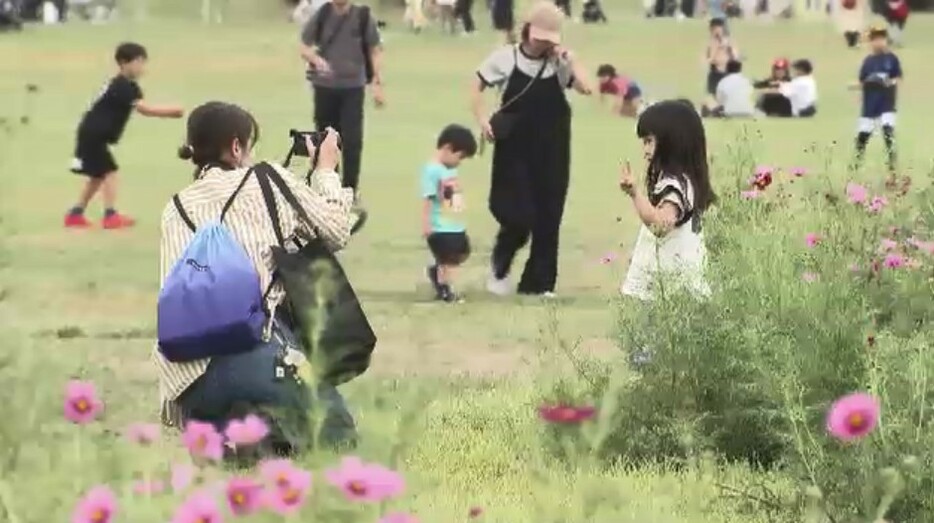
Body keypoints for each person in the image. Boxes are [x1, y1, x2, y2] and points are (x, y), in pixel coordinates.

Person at [156, 101, 356, 453]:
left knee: (253, 460)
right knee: (336, 433)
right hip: (255, 354)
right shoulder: (268, 179)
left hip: (188, 382)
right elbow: (336, 229)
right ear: (236, 147)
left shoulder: (175, 207)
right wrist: (325, 170)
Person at [471, 2, 592, 298]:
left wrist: (571, 60)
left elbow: (587, 87)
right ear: (527, 31)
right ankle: (499, 267)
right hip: (515, 148)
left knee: (549, 215)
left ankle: (539, 283)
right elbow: (477, 85)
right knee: (517, 214)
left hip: (553, 147)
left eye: (548, 39)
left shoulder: (558, 65)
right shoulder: (506, 58)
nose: (542, 44)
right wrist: (483, 119)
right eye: (539, 37)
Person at [65, 43, 184, 229]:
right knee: (110, 173)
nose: (141, 67)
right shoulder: (122, 86)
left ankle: (75, 214)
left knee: (97, 176)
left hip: (92, 134)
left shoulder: (128, 86)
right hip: (93, 135)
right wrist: (172, 112)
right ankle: (110, 216)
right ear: (123, 62)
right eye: (137, 62)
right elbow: (145, 109)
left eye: (143, 63)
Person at [618, 100, 716, 301]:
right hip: (678, 285)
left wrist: (636, 194)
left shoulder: (675, 185)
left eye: (648, 141)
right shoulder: (686, 181)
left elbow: (661, 225)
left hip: (672, 291)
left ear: (670, 142)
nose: (644, 149)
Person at [300, 0, 384, 231]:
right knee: (326, 138)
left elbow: (375, 49)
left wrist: (377, 83)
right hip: (325, 87)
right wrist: (317, 60)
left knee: (353, 139)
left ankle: (350, 190)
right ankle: (329, 189)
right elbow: (304, 46)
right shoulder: (322, 14)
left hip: (353, 87)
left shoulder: (363, 17)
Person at [421, 125, 478, 303]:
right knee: (449, 259)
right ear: (447, 148)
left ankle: (437, 273)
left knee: (462, 252)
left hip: (454, 224)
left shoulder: (450, 168)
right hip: (439, 226)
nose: (459, 162)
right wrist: (426, 224)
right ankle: (444, 290)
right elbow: (428, 198)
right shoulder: (432, 170)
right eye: (459, 156)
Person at [850, 27, 902, 178]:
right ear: (871, 42)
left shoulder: (891, 59)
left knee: (887, 131)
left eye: (881, 38)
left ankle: (892, 166)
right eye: (875, 39)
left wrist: (889, 82)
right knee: (863, 136)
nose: (878, 42)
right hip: (869, 104)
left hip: (886, 103)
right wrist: (859, 92)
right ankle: (856, 164)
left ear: (886, 40)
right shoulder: (868, 61)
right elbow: (862, 81)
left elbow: (898, 77)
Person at [704, 18, 738, 111]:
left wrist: (728, 47)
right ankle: (716, 110)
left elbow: (735, 57)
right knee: (715, 96)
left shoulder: (729, 42)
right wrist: (717, 47)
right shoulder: (711, 43)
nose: (716, 32)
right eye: (713, 29)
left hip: (727, 73)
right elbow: (710, 59)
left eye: (718, 29)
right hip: (715, 73)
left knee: (727, 96)